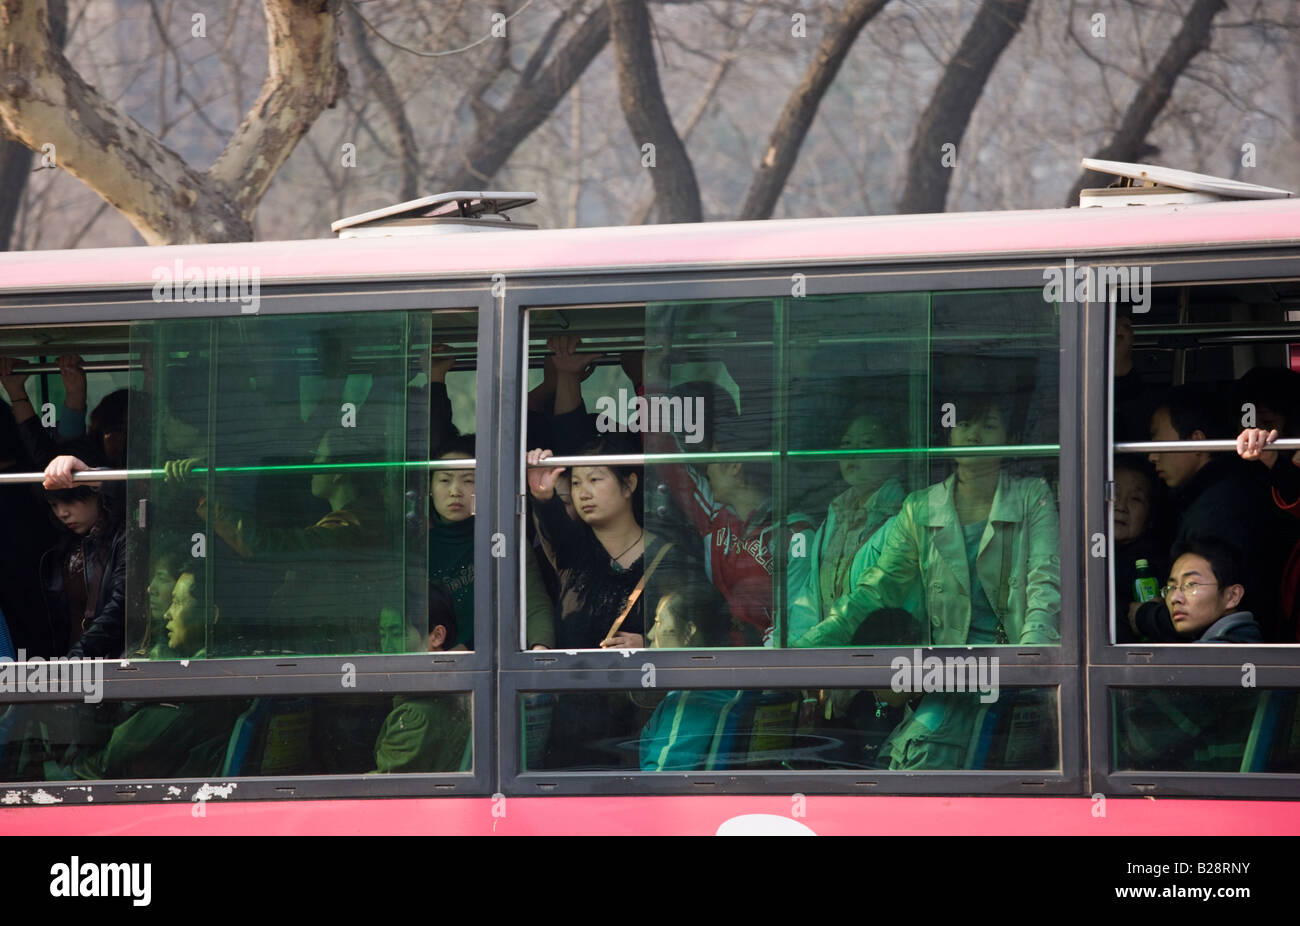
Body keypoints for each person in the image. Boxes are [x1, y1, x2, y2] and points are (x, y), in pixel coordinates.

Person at [797, 389, 1061, 648]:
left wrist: (1030, 660)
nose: (973, 436)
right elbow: (878, 589)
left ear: (1012, 441)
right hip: (942, 671)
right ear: (949, 437)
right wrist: (809, 644)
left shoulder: (1032, 496)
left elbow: (1044, 583)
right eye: (964, 424)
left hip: (1013, 669)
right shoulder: (919, 508)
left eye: (988, 426)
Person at [1137, 385, 1291, 640]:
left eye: (1158, 443)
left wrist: (1143, 616)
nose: (1152, 456)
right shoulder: (1214, 492)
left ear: (1196, 442)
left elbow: (1201, 609)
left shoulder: (1217, 509)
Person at [428, 434, 555, 651]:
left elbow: (534, 605)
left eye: (468, 480)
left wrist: (540, 651)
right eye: (445, 480)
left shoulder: (502, 537)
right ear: (430, 488)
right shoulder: (416, 548)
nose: (455, 491)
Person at [788, 411, 907, 641]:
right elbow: (810, 598)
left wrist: (810, 645)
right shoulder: (832, 521)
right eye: (847, 444)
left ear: (895, 456)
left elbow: (873, 598)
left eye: (867, 444)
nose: (853, 453)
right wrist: (794, 649)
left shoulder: (901, 519)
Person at [372, 583, 472, 774]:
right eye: (382, 634)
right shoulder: (459, 687)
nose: (387, 646)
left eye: (397, 633)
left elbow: (379, 789)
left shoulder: (415, 718)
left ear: (437, 636)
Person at [639, 587, 740, 771]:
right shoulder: (729, 680)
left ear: (688, 631)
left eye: (658, 622)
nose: (651, 634)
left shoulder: (692, 699)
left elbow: (660, 778)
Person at [39, 482, 126, 658]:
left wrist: (80, 654)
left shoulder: (122, 538)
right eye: (54, 505)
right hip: (71, 661)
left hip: (108, 662)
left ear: (95, 494)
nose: (62, 513)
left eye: (69, 501)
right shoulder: (61, 547)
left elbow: (121, 604)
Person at [1158, 537, 1262, 643]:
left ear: (1232, 596)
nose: (1174, 598)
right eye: (1171, 587)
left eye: (1191, 584)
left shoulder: (1217, 654)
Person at [1113, 457, 1170, 643]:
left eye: (1135, 499)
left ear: (1149, 517)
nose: (1121, 507)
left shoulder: (1155, 567)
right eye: (1114, 494)